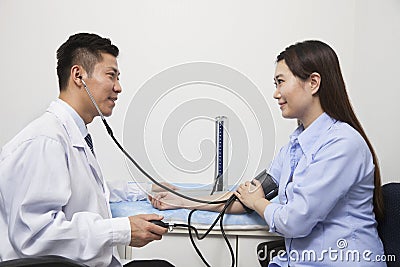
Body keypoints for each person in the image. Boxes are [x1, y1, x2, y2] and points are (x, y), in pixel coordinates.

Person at [150, 40, 387, 266]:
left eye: (281, 82)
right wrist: (180, 197)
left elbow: (294, 221)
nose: (276, 94)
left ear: (313, 83)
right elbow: (245, 198)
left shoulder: (342, 145)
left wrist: (258, 201)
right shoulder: (295, 147)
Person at [0, 33, 174, 267]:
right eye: (111, 76)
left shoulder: (70, 134)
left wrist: (147, 190)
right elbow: (35, 236)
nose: (119, 87)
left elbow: (92, 193)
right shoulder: (45, 141)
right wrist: (121, 230)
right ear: (78, 75)